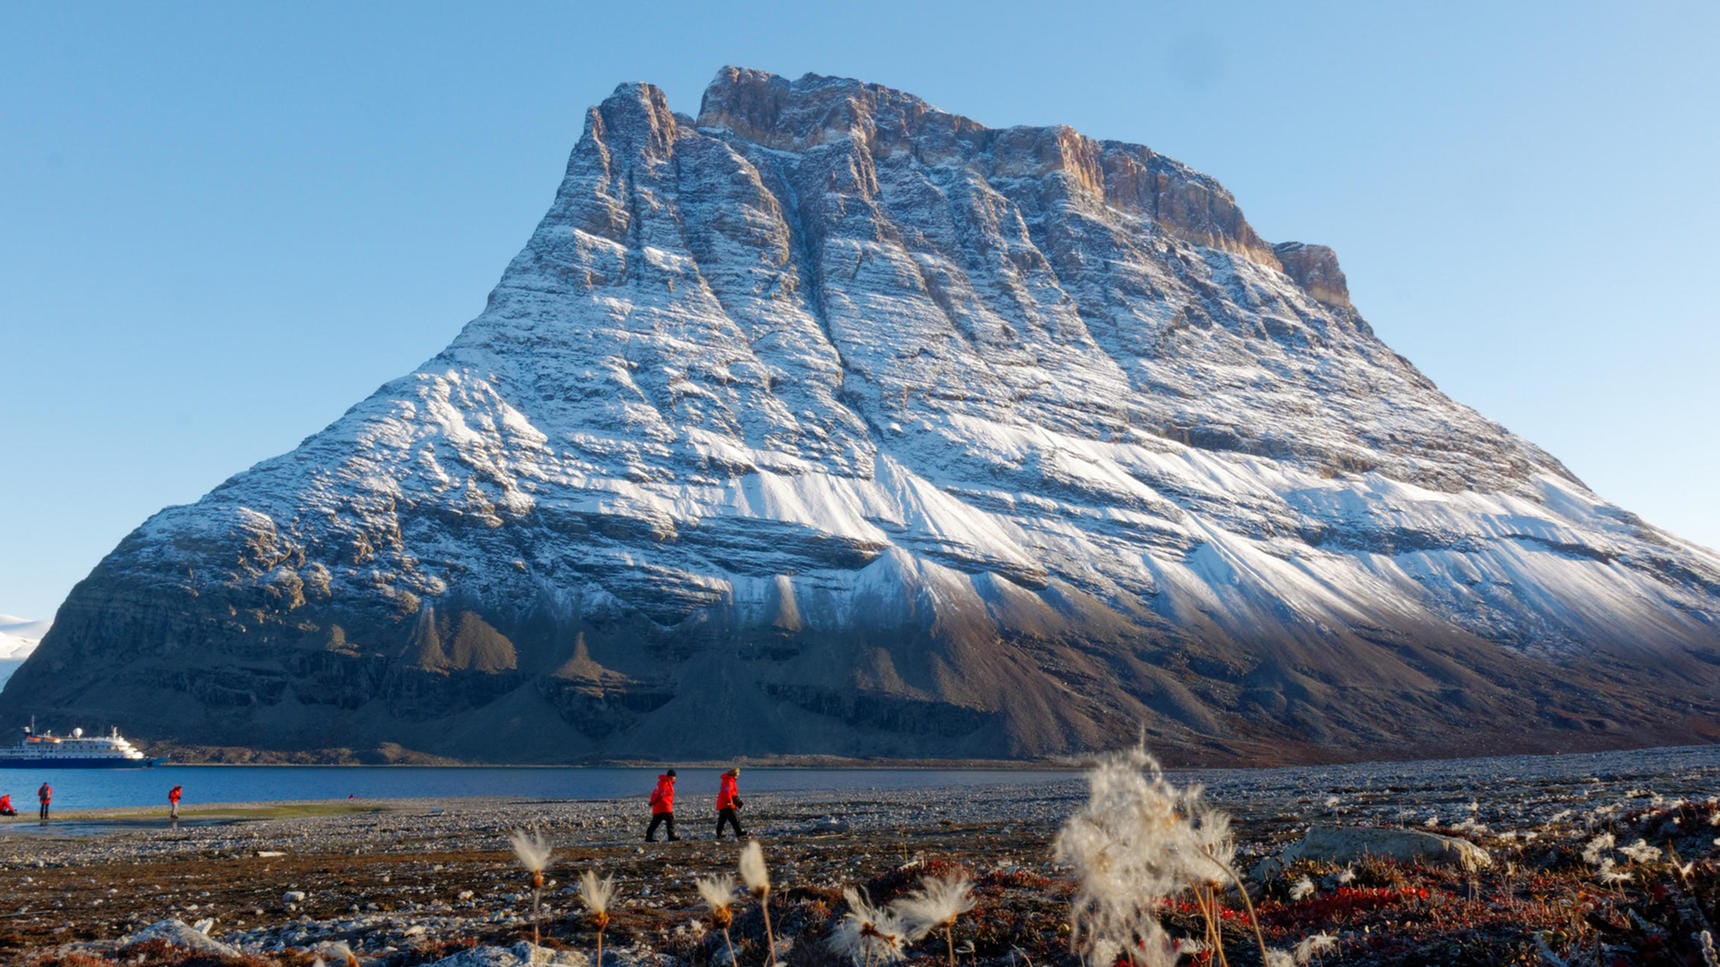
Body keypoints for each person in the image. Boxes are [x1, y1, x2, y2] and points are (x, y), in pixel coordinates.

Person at [645, 769, 678, 842]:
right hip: (664, 806)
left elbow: (655, 793)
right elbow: (660, 794)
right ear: (672, 777)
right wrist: (653, 802)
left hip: (659, 807)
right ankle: (671, 836)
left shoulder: (661, 782)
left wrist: (653, 802)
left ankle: (648, 837)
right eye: (674, 777)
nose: (675, 779)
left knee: (655, 823)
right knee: (670, 821)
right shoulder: (666, 783)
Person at [715, 767, 745, 839]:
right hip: (726, 804)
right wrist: (730, 802)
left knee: (722, 819)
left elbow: (732, 793)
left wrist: (737, 801)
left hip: (723, 803)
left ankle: (719, 834)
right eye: (737, 775)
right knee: (734, 819)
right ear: (734, 774)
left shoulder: (730, 781)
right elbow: (727, 793)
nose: (738, 776)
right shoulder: (729, 781)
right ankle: (739, 832)